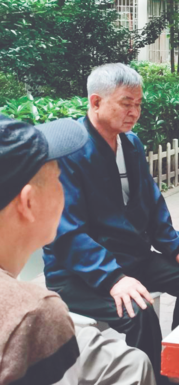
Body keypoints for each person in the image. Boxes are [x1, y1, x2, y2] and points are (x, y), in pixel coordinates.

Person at [43, 64, 179, 385]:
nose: (134, 112)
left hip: (130, 259)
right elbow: (67, 232)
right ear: (95, 102)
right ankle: (157, 379)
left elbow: (151, 201)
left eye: (139, 104)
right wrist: (113, 278)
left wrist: (177, 248)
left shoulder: (131, 144)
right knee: (139, 310)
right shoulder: (69, 151)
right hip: (77, 273)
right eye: (126, 103)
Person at [0, 115, 155, 385]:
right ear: (28, 202)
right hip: (68, 290)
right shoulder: (35, 315)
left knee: (134, 362)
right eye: (59, 179)